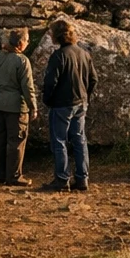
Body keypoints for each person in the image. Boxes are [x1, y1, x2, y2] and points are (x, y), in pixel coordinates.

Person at [40, 19, 96, 192]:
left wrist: (47, 99)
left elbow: (50, 82)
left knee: (59, 141)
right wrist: (86, 95)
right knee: (80, 140)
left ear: (56, 36)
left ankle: (62, 179)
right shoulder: (84, 53)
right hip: (80, 102)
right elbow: (93, 79)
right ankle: (82, 179)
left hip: (61, 104)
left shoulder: (59, 56)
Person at [0, 27, 37, 186]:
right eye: (26, 40)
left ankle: (1, 175)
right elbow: (27, 88)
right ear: (20, 43)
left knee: (0, 141)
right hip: (17, 109)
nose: (28, 43)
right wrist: (33, 107)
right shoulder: (22, 61)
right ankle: (15, 176)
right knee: (16, 142)